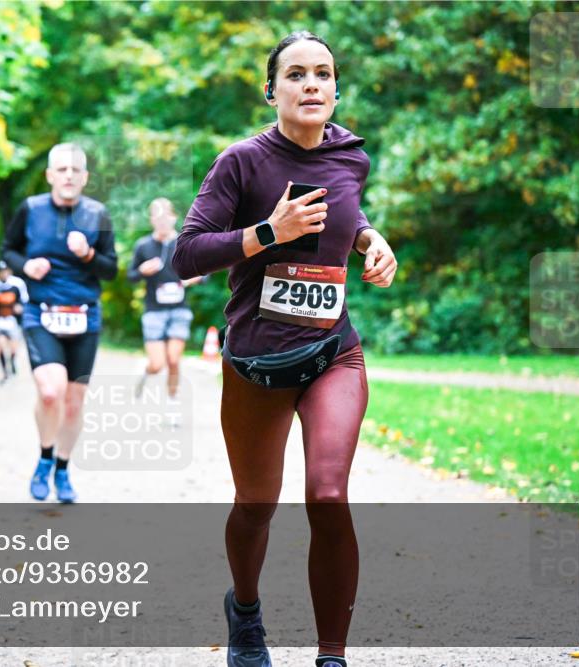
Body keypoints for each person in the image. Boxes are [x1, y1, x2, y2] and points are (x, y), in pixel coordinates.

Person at [172, 31, 397, 667]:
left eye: (323, 74)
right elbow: (186, 253)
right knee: (255, 506)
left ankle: (332, 656)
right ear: (272, 90)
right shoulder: (242, 162)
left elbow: (349, 215)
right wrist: (268, 232)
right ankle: (245, 613)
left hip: (333, 354)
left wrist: (370, 242)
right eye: (296, 75)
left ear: (335, 88)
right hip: (256, 364)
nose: (311, 85)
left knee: (327, 495)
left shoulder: (351, 155)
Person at [1, 142, 118, 503]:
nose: (68, 176)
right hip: (41, 311)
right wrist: (25, 267)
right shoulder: (31, 209)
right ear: (50, 175)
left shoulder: (97, 214)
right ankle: (45, 458)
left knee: (73, 402)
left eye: (75, 170)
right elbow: (8, 250)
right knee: (50, 392)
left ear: (84, 178)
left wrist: (87, 254)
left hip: (84, 315)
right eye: (61, 170)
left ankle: (63, 470)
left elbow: (111, 270)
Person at [127, 197, 203, 415]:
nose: (161, 221)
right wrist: (143, 271)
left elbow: (203, 272)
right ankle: (145, 369)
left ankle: (172, 401)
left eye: (165, 216)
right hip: (154, 311)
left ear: (173, 217)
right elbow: (131, 277)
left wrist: (192, 278)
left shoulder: (183, 243)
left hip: (179, 309)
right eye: (157, 217)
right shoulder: (143, 246)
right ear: (151, 220)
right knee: (158, 364)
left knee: (173, 359)